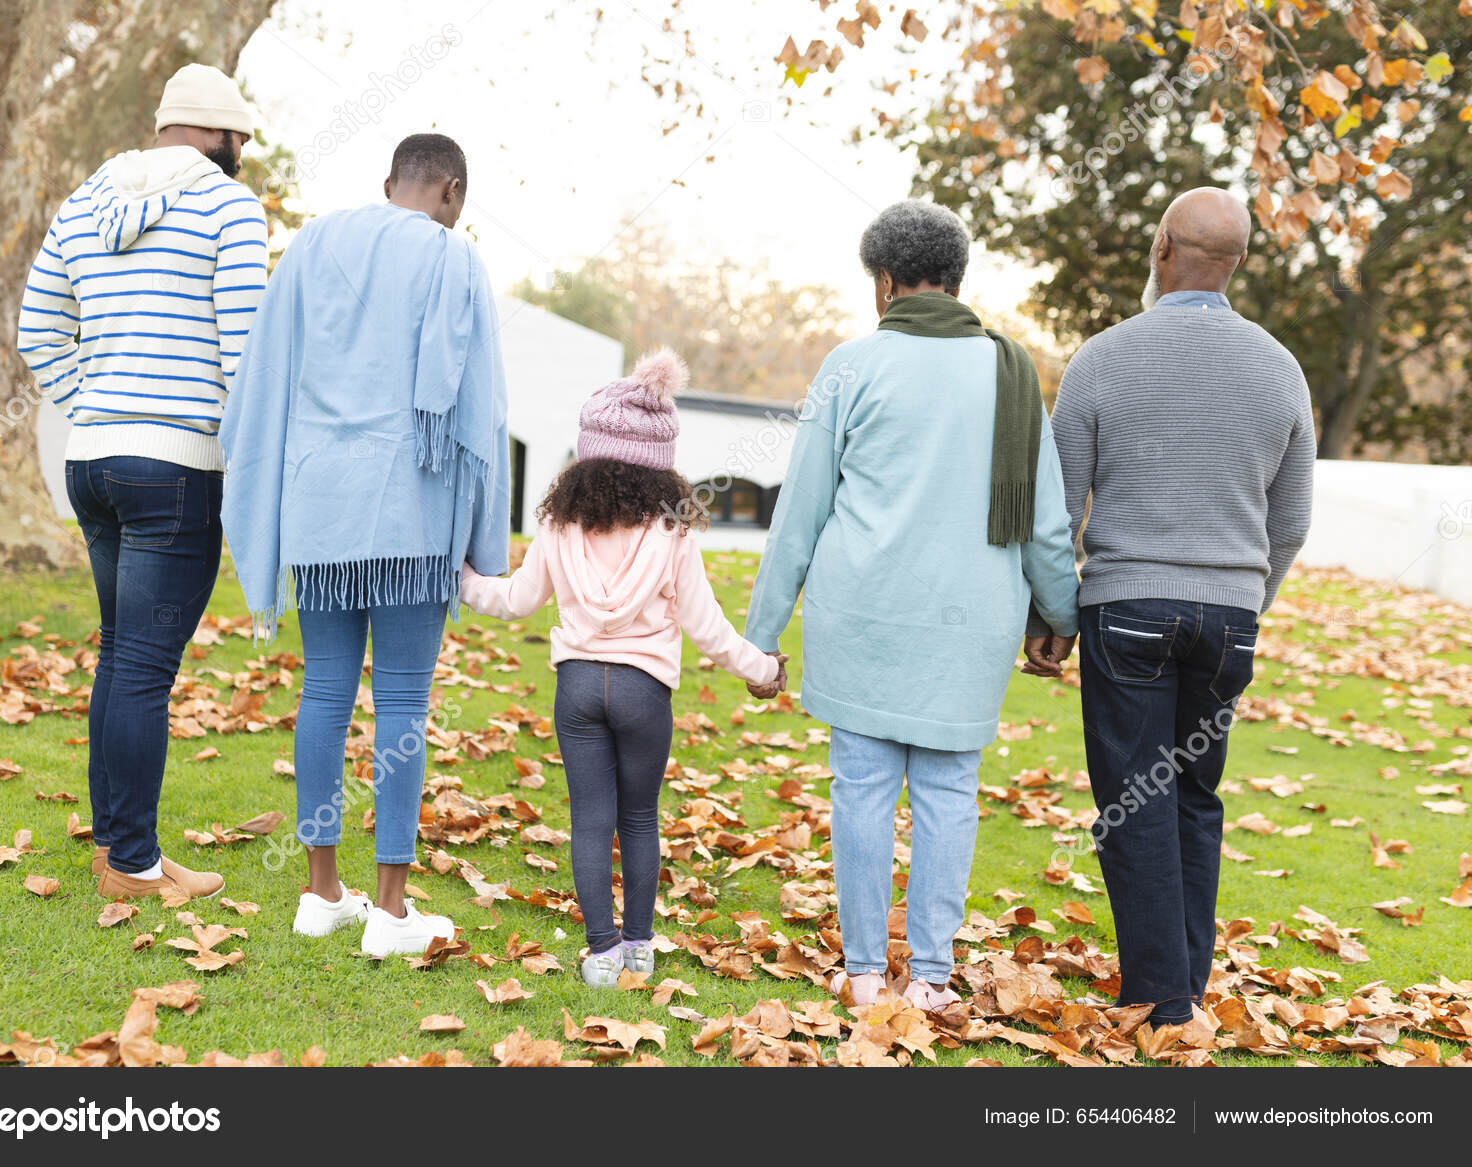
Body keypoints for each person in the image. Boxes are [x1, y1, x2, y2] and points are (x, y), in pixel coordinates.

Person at [743, 200, 1081, 1009]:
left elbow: (802, 513)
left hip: (860, 613)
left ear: (888, 284)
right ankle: (930, 974)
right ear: (956, 279)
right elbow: (1044, 521)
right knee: (947, 794)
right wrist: (1059, 620)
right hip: (970, 625)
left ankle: (862, 971)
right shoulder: (1012, 371)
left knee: (859, 788)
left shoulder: (850, 365)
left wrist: (760, 634)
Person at [1026, 187, 1315, 1026]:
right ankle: (1181, 982)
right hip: (1229, 619)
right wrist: (1242, 603)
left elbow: (1057, 508)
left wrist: (1051, 615)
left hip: (1127, 610)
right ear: (1238, 265)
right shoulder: (1280, 368)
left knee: (1134, 800)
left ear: (1161, 249)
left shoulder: (1103, 358)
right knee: (1194, 792)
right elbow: (1290, 522)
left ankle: (1161, 998)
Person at [219, 133, 509, 957]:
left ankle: (321, 894)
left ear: (391, 184)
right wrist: (487, 544)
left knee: (325, 691)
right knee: (405, 705)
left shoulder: (311, 243)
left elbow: (263, 369)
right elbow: (480, 411)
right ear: (449, 191)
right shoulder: (455, 261)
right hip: (409, 512)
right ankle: (389, 910)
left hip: (318, 506)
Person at [16, 63, 267, 902]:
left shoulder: (84, 199)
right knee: (143, 668)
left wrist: (92, 400)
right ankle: (130, 864)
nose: (244, 155)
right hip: (175, 468)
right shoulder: (230, 206)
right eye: (243, 140)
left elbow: (36, 327)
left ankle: (123, 851)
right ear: (223, 137)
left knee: (122, 654)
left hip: (92, 460)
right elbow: (246, 352)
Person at [460, 349, 786, 988]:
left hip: (577, 685)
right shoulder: (673, 534)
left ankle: (601, 954)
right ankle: (639, 946)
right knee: (639, 817)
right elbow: (707, 626)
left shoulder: (558, 523)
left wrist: (466, 582)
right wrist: (762, 670)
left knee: (589, 818)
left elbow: (517, 600)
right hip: (644, 692)